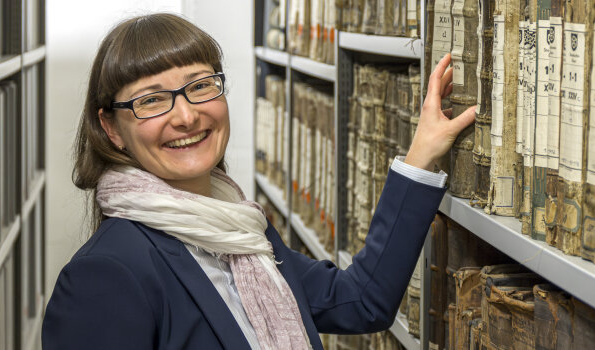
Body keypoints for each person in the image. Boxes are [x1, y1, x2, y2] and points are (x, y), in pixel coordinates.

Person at [42, 13, 475, 350]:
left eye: (200, 86)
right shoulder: (105, 275)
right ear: (111, 128)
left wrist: (421, 154)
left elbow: (359, 302)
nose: (187, 116)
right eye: (152, 100)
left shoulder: (241, 229)